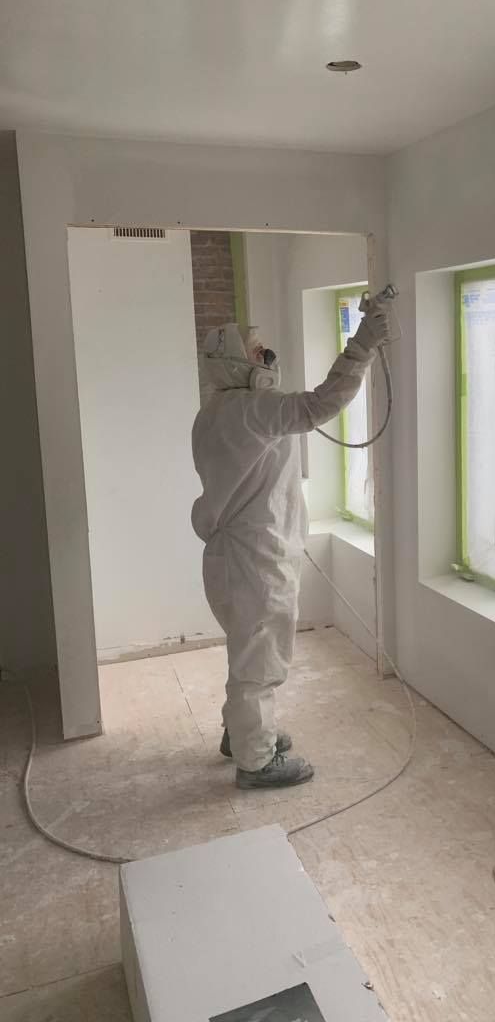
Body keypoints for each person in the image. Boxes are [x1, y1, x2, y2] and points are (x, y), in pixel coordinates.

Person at [191, 301, 390, 789]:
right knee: (259, 660)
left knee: (248, 648)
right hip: (256, 556)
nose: (265, 353)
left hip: (234, 553)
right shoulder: (252, 410)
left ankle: (240, 735)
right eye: (254, 350)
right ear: (236, 363)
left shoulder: (215, 412)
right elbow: (321, 403)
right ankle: (256, 762)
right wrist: (362, 344)